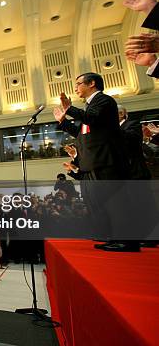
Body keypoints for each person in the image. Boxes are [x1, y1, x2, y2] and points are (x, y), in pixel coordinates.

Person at [53, 72, 134, 251]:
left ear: (92, 83)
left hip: (107, 161)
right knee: (105, 204)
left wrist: (70, 108)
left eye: (79, 83)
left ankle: (127, 241)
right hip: (95, 163)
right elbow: (82, 134)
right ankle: (114, 237)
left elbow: (92, 119)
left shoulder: (103, 101)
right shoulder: (89, 109)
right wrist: (63, 122)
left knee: (116, 203)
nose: (76, 88)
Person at [118, 105, 152, 180]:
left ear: (121, 114)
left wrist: (112, 127)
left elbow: (131, 139)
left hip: (135, 170)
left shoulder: (133, 124)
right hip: (122, 171)